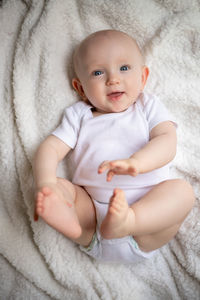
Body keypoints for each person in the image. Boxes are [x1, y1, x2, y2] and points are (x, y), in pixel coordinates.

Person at [34, 29, 195, 263]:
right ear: (80, 88)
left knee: (182, 192)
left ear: (143, 77)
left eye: (124, 68)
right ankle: (66, 215)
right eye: (98, 72)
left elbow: (167, 141)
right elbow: (50, 148)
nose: (113, 79)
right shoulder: (79, 116)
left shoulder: (147, 106)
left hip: (146, 227)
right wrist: (46, 185)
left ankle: (129, 220)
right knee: (61, 188)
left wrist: (137, 162)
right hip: (92, 219)